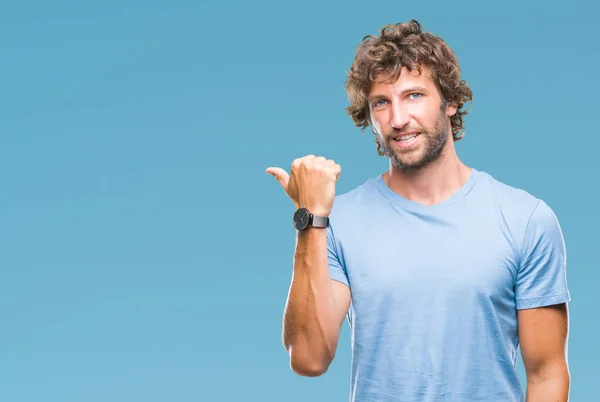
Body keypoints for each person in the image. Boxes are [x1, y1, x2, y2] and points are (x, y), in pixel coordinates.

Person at [265, 19, 570, 402]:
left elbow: (546, 374)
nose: (397, 119)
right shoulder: (337, 222)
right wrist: (310, 218)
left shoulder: (526, 220)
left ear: (450, 101)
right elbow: (309, 360)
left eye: (414, 96)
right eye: (381, 102)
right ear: (369, 117)